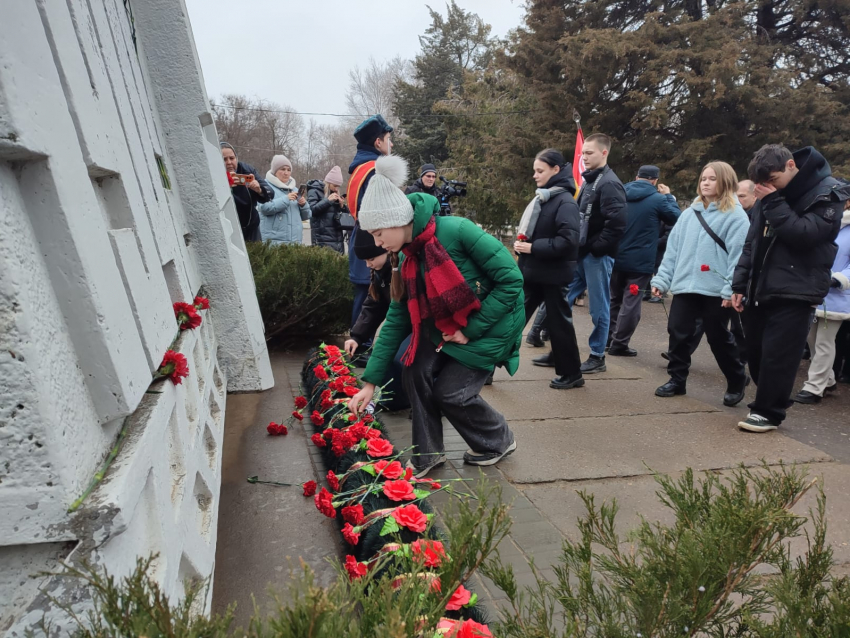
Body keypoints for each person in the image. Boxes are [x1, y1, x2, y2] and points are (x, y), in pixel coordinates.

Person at [347, 155, 525, 478]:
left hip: (492, 324)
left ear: (397, 219)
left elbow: (511, 280)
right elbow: (398, 314)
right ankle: (427, 454)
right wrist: (369, 383)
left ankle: (499, 439)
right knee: (413, 370)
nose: (377, 243)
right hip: (446, 326)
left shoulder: (456, 231)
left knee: (451, 393)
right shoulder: (405, 255)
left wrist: (471, 329)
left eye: (378, 233)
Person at [731, 145, 847, 432]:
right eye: (762, 183)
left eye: (773, 179)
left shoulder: (829, 193)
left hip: (799, 286)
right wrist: (740, 282)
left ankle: (768, 412)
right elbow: (752, 242)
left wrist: (772, 202)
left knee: (778, 354)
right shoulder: (768, 194)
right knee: (755, 352)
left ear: (791, 165)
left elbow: (805, 235)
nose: (768, 186)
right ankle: (771, 399)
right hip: (760, 285)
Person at [650, 161, 749, 406]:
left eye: (712, 178)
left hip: (716, 290)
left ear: (725, 181)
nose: (705, 182)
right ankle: (677, 379)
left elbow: (739, 256)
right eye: (703, 178)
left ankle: (736, 378)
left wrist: (731, 288)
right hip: (686, 286)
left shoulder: (736, 216)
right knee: (678, 332)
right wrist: (662, 279)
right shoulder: (689, 214)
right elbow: (672, 250)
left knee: (718, 338)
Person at [514, 149, 584, 389]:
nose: (535, 175)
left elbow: (568, 241)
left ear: (556, 170)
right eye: (534, 170)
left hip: (552, 275)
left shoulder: (564, 201)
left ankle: (571, 373)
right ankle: (486, 368)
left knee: (560, 326)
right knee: (512, 321)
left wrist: (531, 247)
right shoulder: (545, 197)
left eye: (540, 170)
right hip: (533, 272)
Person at [566, 133, 627, 373]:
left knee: (598, 307)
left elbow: (618, 224)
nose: (584, 157)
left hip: (597, 256)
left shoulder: (609, 183)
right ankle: (560, 347)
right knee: (563, 297)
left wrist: (595, 248)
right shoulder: (591, 180)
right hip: (583, 254)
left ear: (604, 153)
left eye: (589, 153)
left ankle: (597, 355)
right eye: (583, 153)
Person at [607, 165, 681, 356]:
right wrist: (669, 197)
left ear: (636, 176)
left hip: (614, 256)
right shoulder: (658, 199)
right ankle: (619, 343)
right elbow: (678, 218)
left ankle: (606, 338)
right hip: (640, 261)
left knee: (614, 299)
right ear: (655, 181)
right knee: (631, 303)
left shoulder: (619, 193)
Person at [343, 229, 410, 410]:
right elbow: (373, 307)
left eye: (371, 259)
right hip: (401, 324)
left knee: (403, 359)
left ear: (385, 250)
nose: (368, 265)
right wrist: (356, 337)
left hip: (420, 325)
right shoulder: (380, 271)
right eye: (365, 261)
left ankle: (428, 403)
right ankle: (395, 400)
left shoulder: (402, 268)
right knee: (383, 356)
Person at [794, 197, 850, 404]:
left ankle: (815, 387)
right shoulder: (825, 223)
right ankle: (828, 379)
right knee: (811, 338)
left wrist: (838, 280)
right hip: (812, 289)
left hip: (836, 294)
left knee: (825, 342)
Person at [347, 114, 394, 334]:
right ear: (378, 142)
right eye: (388, 139)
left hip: (361, 236)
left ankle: (358, 345)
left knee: (364, 293)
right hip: (374, 239)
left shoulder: (360, 168)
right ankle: (361, 348)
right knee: (371, 295)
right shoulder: (376, 169)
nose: (391, 144)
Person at [220, 142, 273, 242]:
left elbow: (270, 192)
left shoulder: (247, 170)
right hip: (226, 230)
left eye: (232, 158)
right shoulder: (214, 174)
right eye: (224, 159)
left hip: (251, 229)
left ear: (236, 158)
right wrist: (224, 186)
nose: (229, 162)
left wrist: (259, 189)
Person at [257, 155, 311, 245]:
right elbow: (264, 208)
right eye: (282, 169)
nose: (286, 173)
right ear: (275, 171)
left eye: (288, 170)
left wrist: (303, 205)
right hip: (274, 243)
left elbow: (306, 216)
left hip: (295, 242)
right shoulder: (265, 187)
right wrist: (286, 199)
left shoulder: (295, 190)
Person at [306, 166, 346, 253]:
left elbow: (341, 219)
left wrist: (342, 206)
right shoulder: (314, 190)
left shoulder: (334, 194)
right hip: (322, 239)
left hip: (338, 239)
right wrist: (327, 201)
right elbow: (311, 211)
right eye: (335, 186)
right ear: (328, 183)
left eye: (338, 187)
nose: (336, 189)